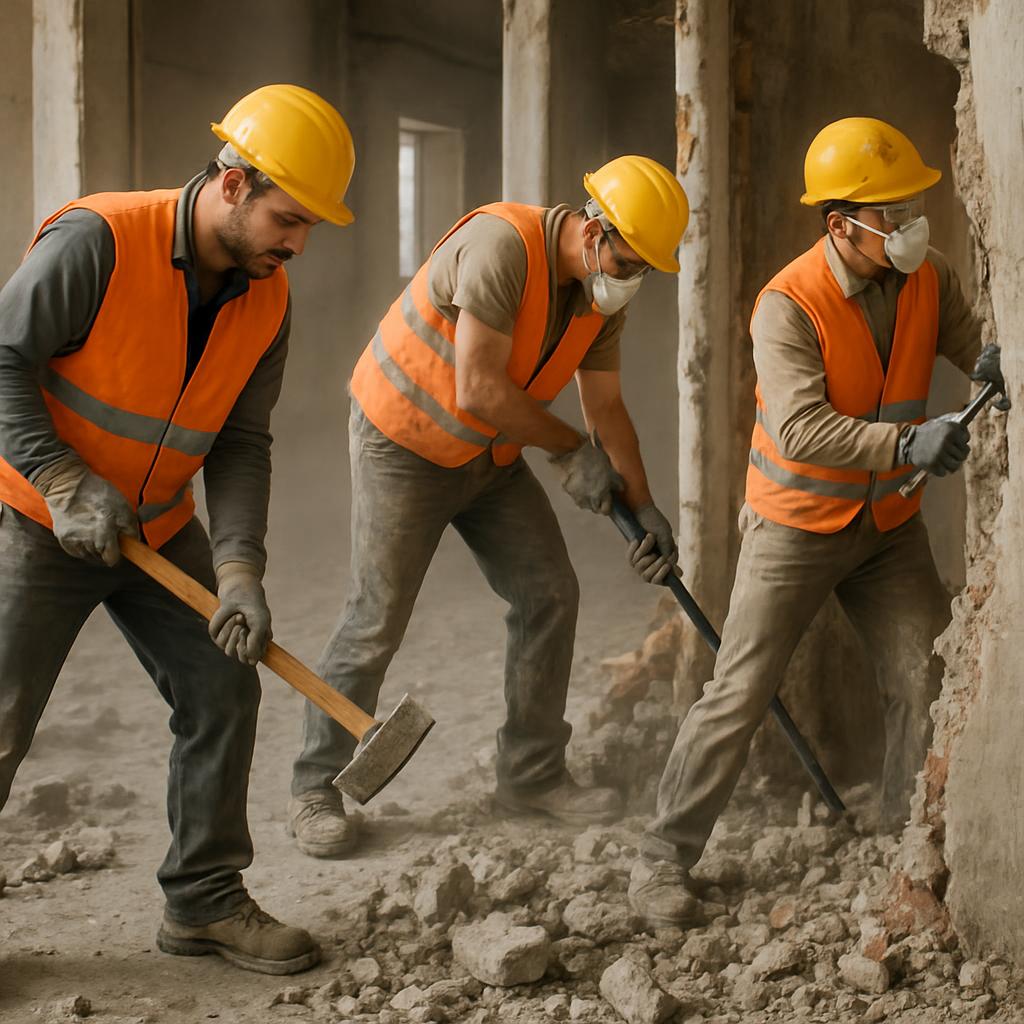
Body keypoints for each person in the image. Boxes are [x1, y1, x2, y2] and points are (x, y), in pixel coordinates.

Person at [0, 84, 356, 974]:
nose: (298, 244)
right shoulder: (99, 240)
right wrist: (61, 480)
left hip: (156, 526)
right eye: (288, 218)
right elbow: (2, 360)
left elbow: (239, 441)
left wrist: (239, 572)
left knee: (223, 687)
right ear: (233, 183)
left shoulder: (266, 296)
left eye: (310, 226)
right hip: (35, 517)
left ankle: (203, 901)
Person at [626, 117, 1009, 928]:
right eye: (892, 214)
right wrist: (908, 442)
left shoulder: (928, 274)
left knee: (921, 670)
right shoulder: (787, 304)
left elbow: (969, 337)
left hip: (888, 525)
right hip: (795, 528)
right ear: (841, 225)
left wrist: (990, 357)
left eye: (913, 208)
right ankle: (661, 857)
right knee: (740, 690)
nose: (911, 225)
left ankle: (908, 831)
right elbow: (801, 429)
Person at [288, 156, 690, 858]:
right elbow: (478, 387)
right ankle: (315, 788)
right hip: (403, 441)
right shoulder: (502, 248)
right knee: (376, 616)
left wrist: (643, 503)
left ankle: (531, 777)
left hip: (486, 453)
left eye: (643, 270)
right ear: (593, 229)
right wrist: (568, 451)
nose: (631, 280)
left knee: (549, 592)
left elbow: (606, 407)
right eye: (628, 262)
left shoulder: (599, 300)